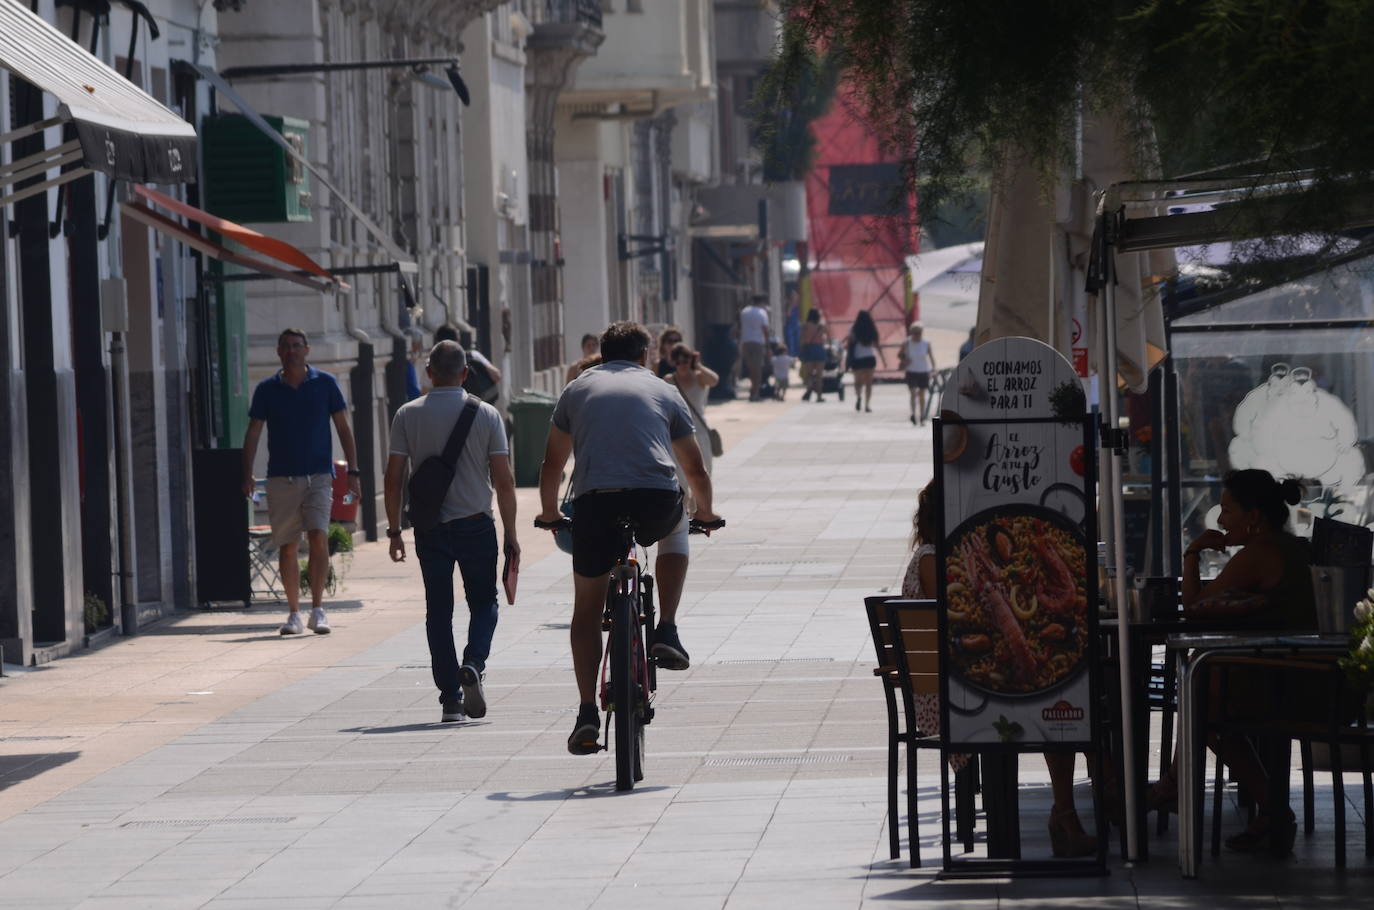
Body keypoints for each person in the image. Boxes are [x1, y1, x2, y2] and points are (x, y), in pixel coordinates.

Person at [535, 322, 721, 755]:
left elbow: (551, 464)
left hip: (595, 505)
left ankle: (585, 712)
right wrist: (706, 512)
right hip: (654, 500)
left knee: (586, 610)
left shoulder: (577, 390)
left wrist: (548, 513)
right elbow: (694, 469)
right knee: (677, 532)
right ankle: (668, 629)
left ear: (602, 353)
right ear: (644, 355)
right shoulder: (662, 389)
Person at [1150, 469, 1318, 855]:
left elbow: (1193, 607)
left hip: (1290, 684)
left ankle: (1269, 809)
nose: (1221, 520)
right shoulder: (1291, 547)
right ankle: (1178, 785)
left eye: (1227, 510)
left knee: (1203, 702)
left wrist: (1192, 552)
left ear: (1253, 516)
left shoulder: (1259, 553)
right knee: (1203, 686)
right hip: (1310, 678)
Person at [383, 341, 519, 723]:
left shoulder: (407, 415)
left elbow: (393, 480)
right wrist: (511, 533)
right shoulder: (488, 415)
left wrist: (394, 531)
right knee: (485, 602)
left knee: (438, 612)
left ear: (429, 372)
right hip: (476, 524)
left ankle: (450, 699)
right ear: (464, 373)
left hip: (431, 529)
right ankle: (474, 662)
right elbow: (504, 481)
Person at [241, 328, 361, 636]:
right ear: (279, 353)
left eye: (297, 346)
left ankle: (318, 609)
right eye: (286, 347)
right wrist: (247, 473)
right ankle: (294, 612)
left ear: (307, 350)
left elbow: (344, 429)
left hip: (319, 475)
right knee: (288, 545)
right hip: (282, 477)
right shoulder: (267, 389)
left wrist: (354, 474)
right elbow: (253, 431)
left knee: (319, 535)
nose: (292, 351)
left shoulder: (325, 384)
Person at [434, 324, 502, 404]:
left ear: (438, 343)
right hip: (481, 405)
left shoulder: (432, 363)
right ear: (458, 341)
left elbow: (425, 392)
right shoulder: (472, 355)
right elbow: (496, 376)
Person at [846, 309, 886, 413]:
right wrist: (883, 359)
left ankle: (859, 396)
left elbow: (850, 344)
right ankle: (867, 405)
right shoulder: (872, 330)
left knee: (858, 382)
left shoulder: (853, 329)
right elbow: (877, 346)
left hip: (858, 358)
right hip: (870, 358)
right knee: (869, 383)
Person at [898, 322, 936, 425]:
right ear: (911, 332)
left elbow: (931, 357)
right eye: (914, 332)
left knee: (922, 395)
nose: (917, 334)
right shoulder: (907, 343)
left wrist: (934, 369)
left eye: (919, 332)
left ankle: (922, 417)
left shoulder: (926, 343)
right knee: (913, 393)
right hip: (911, 371)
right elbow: (899, 354)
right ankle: (913, 414)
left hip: (923, 371)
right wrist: (905, 360)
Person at [738, 295, 771, 401]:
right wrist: (768, 345)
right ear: (761, 302)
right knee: (757, 369)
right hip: (757, 342)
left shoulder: (744, 311)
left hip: (745, 342)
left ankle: (753, 390)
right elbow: (765, 330)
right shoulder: (762, 313)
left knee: (751, 368)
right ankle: (755, 392)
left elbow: (740, 326)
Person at [799, 307, 830, 402]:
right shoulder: (821, 326)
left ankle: (809, 390)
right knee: (819, 375)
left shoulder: (805, 326)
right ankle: (819, 396)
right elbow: (828, 337)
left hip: (808, 349)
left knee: (810, 374)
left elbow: (802, 339)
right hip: (819, 349)